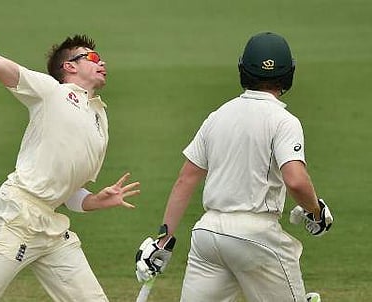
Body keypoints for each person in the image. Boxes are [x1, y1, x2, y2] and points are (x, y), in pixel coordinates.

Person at [0, 22, 140, 302]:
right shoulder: (51, 91)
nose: (101, 61)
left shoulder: (99, 117)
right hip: (16, 214)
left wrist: (95, 201)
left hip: (51, 226)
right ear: (69, 67)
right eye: (91, 57)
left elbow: (69, 192)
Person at [135, 32, 333, 302]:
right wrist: (316, 211)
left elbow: (186, 180)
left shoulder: (217, 117)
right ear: (289, 74)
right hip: (256, 238)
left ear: (243, 70)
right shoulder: (284, 121)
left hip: (208, 236)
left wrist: (163, 240)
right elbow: (296, 180)